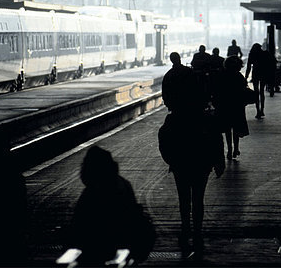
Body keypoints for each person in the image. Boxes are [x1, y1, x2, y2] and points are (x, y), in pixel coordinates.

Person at [160, 52, 225, 260]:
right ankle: (197, 229)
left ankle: (185, 228)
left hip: (180, 163)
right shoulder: (205, 117)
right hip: (201, 163)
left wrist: (171, 160)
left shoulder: (173, 120)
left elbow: (164, 142)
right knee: (198, 199)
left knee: (183, 198)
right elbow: (216, 138)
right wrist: (218, 161)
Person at [70, 146, 155, 266]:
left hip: (100, 246)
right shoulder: (123, 184)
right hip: (125, 242)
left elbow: (80, 223)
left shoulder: (92, 192)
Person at [211, 55, 249, 160]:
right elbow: (244, 88)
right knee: (236, 128)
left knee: (227, 129)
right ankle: (236, 148)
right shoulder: (238, 76)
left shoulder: (222, 75)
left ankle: (229, 149)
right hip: (237, 106)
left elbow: (216, 90)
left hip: (225, 105)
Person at [245, 43, 275, 119]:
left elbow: (248, 67)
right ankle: (262, 110)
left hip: (255, 74)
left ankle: (258, 110)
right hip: (263, 74)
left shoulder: (252, 54)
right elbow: (272, 62)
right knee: (262, 92)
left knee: (256, 92)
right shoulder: (265, 53)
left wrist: (246, 77)